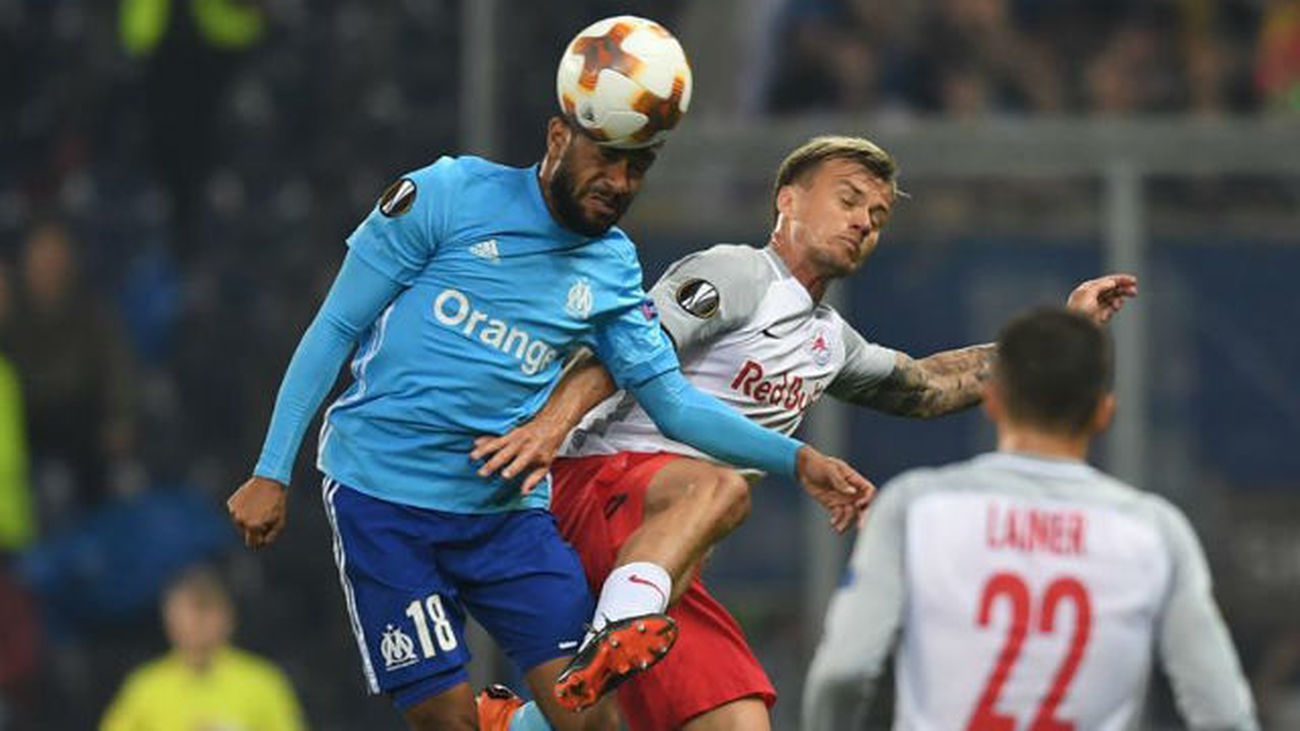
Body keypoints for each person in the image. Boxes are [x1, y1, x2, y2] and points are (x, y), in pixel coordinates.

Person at [225, 22, 872, 731]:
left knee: (590, 714)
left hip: (505, 515)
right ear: (559, 138)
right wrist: (271, 468)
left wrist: (797, 457)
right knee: (446, 720)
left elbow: (674, 403)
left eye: (637, 168)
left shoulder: (612, 269)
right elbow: (336, 327)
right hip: (385, 499)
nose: (619, 183)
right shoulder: (445, 196)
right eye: (607, 159)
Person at [472, 135, 1137, 728]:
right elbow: (620, 353)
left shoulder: (828, 340)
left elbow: (927, 387)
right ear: (787, 199)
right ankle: (605, 639)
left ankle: (526, 719)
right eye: (848, 200)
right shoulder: (735, 273)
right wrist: (547, 428)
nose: (863, 222)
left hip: (665, 548)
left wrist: (1068, 327)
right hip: (602, 486)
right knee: (720, 497)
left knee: (728, 719)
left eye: (876, 217)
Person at [802, 307, 1260, 731]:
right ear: (1105, 413)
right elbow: (1225, 714)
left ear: (993, 399)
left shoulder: (914, 507)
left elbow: (845, 672)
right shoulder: (1155, 531)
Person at [100, 565, 305, 731]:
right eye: (186, 613)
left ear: (227, 617)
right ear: (169, 619)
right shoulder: (146, 689)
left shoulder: (261, 684)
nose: (195, 623)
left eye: (204, 611)